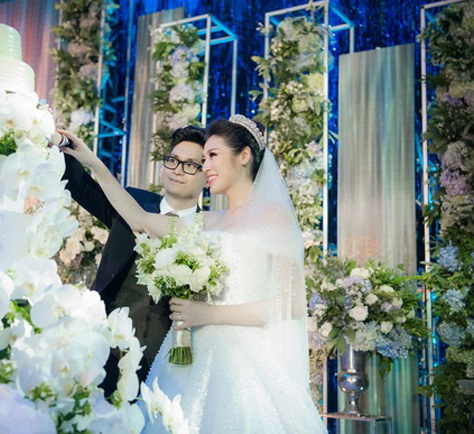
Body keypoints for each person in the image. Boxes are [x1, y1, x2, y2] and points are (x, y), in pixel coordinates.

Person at [59, 115, 326, 433]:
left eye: (212, 156)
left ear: (243, 156)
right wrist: (92, 161)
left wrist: (209, 313)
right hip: (189, 359)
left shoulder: (274, 216)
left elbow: (291, 304)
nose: (206, 166)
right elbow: (140, 220)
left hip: (243, 361)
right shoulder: (207, 221)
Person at [61, 126, 207, 395]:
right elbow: (81, 186)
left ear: (207, 176)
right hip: (103, 339)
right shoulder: (133, 201)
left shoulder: (209, 232)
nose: (177, 170)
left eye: (190, 165)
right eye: (173, 160)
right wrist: (52, 143)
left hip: (163, 361)